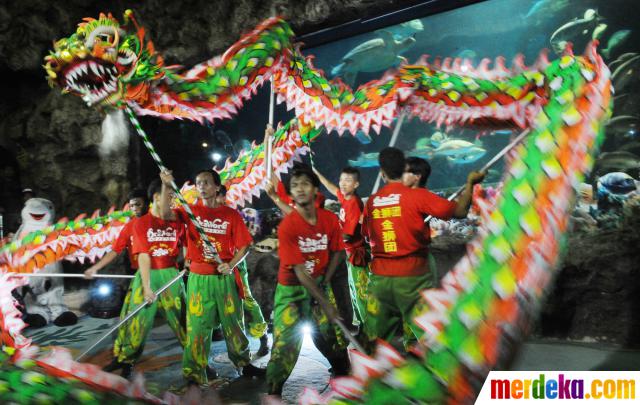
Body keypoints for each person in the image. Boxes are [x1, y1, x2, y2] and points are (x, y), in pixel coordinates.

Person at [361, 147, 484, 351]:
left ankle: (371, 377)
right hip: (413, 277)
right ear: (403, 169)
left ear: (381, 172)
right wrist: (470, 183)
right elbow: (460, 211)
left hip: (380, 279)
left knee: (373, 340)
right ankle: (443, 375)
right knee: (429, 335)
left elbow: (366, 234)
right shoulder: (418, 196)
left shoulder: (372, 201)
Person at [159, 168, 265, 386]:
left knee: (233, 323)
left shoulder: (230, 215)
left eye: (207, 182)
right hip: (199, 280)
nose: (202, 186)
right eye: (198, 183)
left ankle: (243, 363)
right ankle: (194, 373)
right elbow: (164, 215)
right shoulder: (189, 212)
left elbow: (244, 245)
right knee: (198, 327)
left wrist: (231, 264)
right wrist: (166, 185)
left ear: (217, 187)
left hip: (224, 279)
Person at [266, 163, 350, 397]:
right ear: (291, 194)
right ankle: (273, 393)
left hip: (319, 284)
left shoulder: (330, 220)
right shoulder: (288, 226)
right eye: (295, 186)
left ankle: (345, 376)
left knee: (330, 335)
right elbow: (301, 272)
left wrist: (326, 279)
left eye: (305, 184)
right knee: (284, 345)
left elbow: (337, 252)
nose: (300, 189)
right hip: (291, 292)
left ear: (315, 190)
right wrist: (324, 301)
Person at [102, 180, 187, 377]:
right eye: (169, 195)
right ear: (157, 197)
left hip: (171, 275)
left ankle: (196, 362)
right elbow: (142, 255)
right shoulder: (139, 223)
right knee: (136, 320)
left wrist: (188, 259)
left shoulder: (178, 219)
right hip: (146, 275)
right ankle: (126, 360)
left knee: (181, 319)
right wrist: (147, 287)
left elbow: (186, 242)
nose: (173, 200)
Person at [313, 166, 369, 330]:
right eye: (342, 179)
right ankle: (360, 327)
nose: (343, 184)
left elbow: (347, 235)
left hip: (357, 256)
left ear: (356, 184)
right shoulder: (345, 198)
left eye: (348, 181)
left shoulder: (353, 204)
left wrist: (326, 239)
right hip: (349, 255)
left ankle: (368, 330)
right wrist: (317, 173)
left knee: (361, 293)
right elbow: (333, 188)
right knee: (354, 292)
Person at [217, 184, 270, 357]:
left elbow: (246, 243)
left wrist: (232, 263)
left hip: (235, 266)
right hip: (214, 270)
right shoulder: (202, 216)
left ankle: (263, 339)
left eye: (217, 195)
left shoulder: (234, 216)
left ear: (223, 197)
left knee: (247, 301)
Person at [84, 188, 148, 278]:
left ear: (147, 204)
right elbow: (115, 250)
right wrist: (95, 268)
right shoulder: (129, 227)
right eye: (131, 206)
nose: (135, 209)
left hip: (161, 271)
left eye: (138, 204)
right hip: (139, 272)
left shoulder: (159, 222)